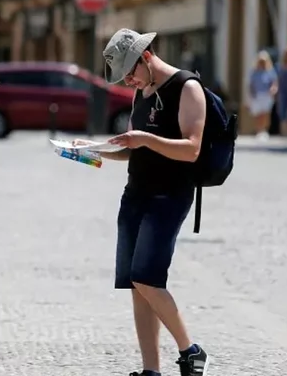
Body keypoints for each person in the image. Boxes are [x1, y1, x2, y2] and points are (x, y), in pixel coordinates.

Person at [74, 28, 210, 376]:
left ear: (146, 57)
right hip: (135, 194)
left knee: (148, 278)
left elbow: (192, 149)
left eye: (129, 72)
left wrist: (145, 138)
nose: (127, 81)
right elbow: (133, 150)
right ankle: (151, 370)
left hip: (169, 196)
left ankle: (192, 351)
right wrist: (93, 150)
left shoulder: (186, 87)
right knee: (137, 285)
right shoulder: (142, 92)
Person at [247, 50, 278, 140]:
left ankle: (264, 130)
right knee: (258, 114)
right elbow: (251, 84)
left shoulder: (270, 71)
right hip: (257, 95)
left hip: (266, 95)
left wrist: (273, 90)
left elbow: (274, 83)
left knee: (265, 114)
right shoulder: (254, 71)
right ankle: (259, 130)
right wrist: (250, 95)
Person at [276, 45, 287, 135]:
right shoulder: (280, 66)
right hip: (283, 91)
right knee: (284, 111)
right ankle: (286, 131)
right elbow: (278, 79)